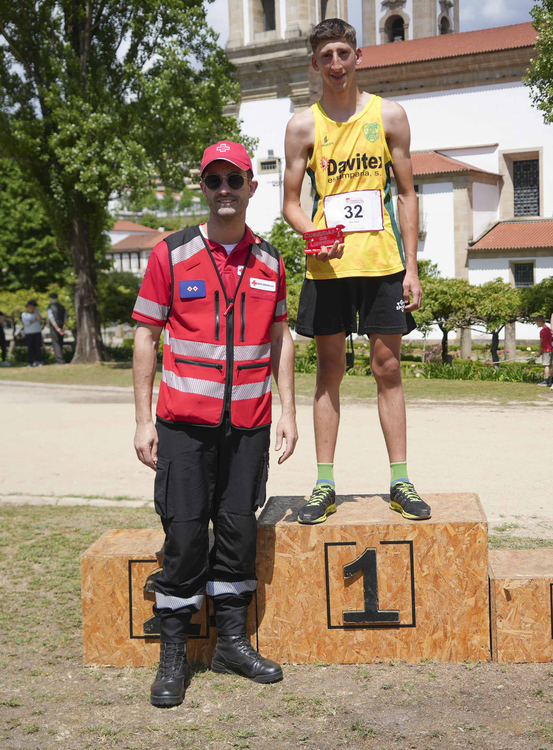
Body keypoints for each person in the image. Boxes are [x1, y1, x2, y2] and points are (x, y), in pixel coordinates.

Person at [131, 140, 297, 708]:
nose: (224, 189)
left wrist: (289, 412)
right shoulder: (170, 254)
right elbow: (145, 336)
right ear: (202, 188)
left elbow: (281, 340)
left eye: (235, 179)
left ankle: (231, 644)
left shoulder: (272, 261)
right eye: (214, 180)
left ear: (253, 186)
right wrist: (141, 420)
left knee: (237, 535)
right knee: (182, 537)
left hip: (248, 425)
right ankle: (173, 654)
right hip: (181, 426)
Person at [282, 18, 429, 525]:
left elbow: (407, 194)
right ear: (315, 63)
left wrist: (413, 268)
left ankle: (401, 480)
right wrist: (310, 232)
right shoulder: (303, 125)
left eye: (343, 53)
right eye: (326, 57)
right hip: (327, 268)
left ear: (358, 56)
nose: (336, 64)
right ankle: (324, 483)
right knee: (329, 374)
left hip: (384, 264)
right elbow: (290, 204)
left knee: (388, 370)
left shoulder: (389, 116)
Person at [21, 300, 44, 367]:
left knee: (38, 347)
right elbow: (27, 323)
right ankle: (31, 361)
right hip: (29, 333)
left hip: (37, 332)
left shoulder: (37, 312)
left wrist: (36, 311)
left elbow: (40, 319)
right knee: (30, 348)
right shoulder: (24, 314)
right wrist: (34, 320)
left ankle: (39, 360)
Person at [47, 293, 68, 364]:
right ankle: (62, 358)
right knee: (61, 342)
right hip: (61, 326)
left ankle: (60, 360)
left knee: (56, 343)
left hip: (55, 327)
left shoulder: (50, 307)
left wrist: (57, 328)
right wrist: (63, 327)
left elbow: (51, 319)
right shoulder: (62, 306)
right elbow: (65, 317)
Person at [536, 315, 552, 386]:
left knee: (546, 365)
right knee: (551, 365)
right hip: (551, 349)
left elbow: (541, 342)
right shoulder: (549, 329)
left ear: (540, 322)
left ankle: (546, 380)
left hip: (546, 349)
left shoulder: (543, 331)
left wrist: (539, 352)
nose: (537, 324)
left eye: (537, 322)